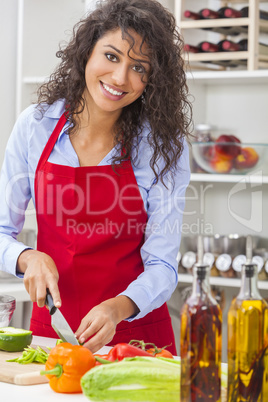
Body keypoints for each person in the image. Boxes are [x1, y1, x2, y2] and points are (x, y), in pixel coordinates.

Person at [0, 0, 192, 354]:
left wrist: (117, 307)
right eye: (112, 56)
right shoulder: (36, 126)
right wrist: (29, 257)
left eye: (139, 67)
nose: (120, 78)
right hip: (52, 332)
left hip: (137, 337)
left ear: (152, 80)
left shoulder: (163, 147)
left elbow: (163, 266)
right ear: (87, 52)